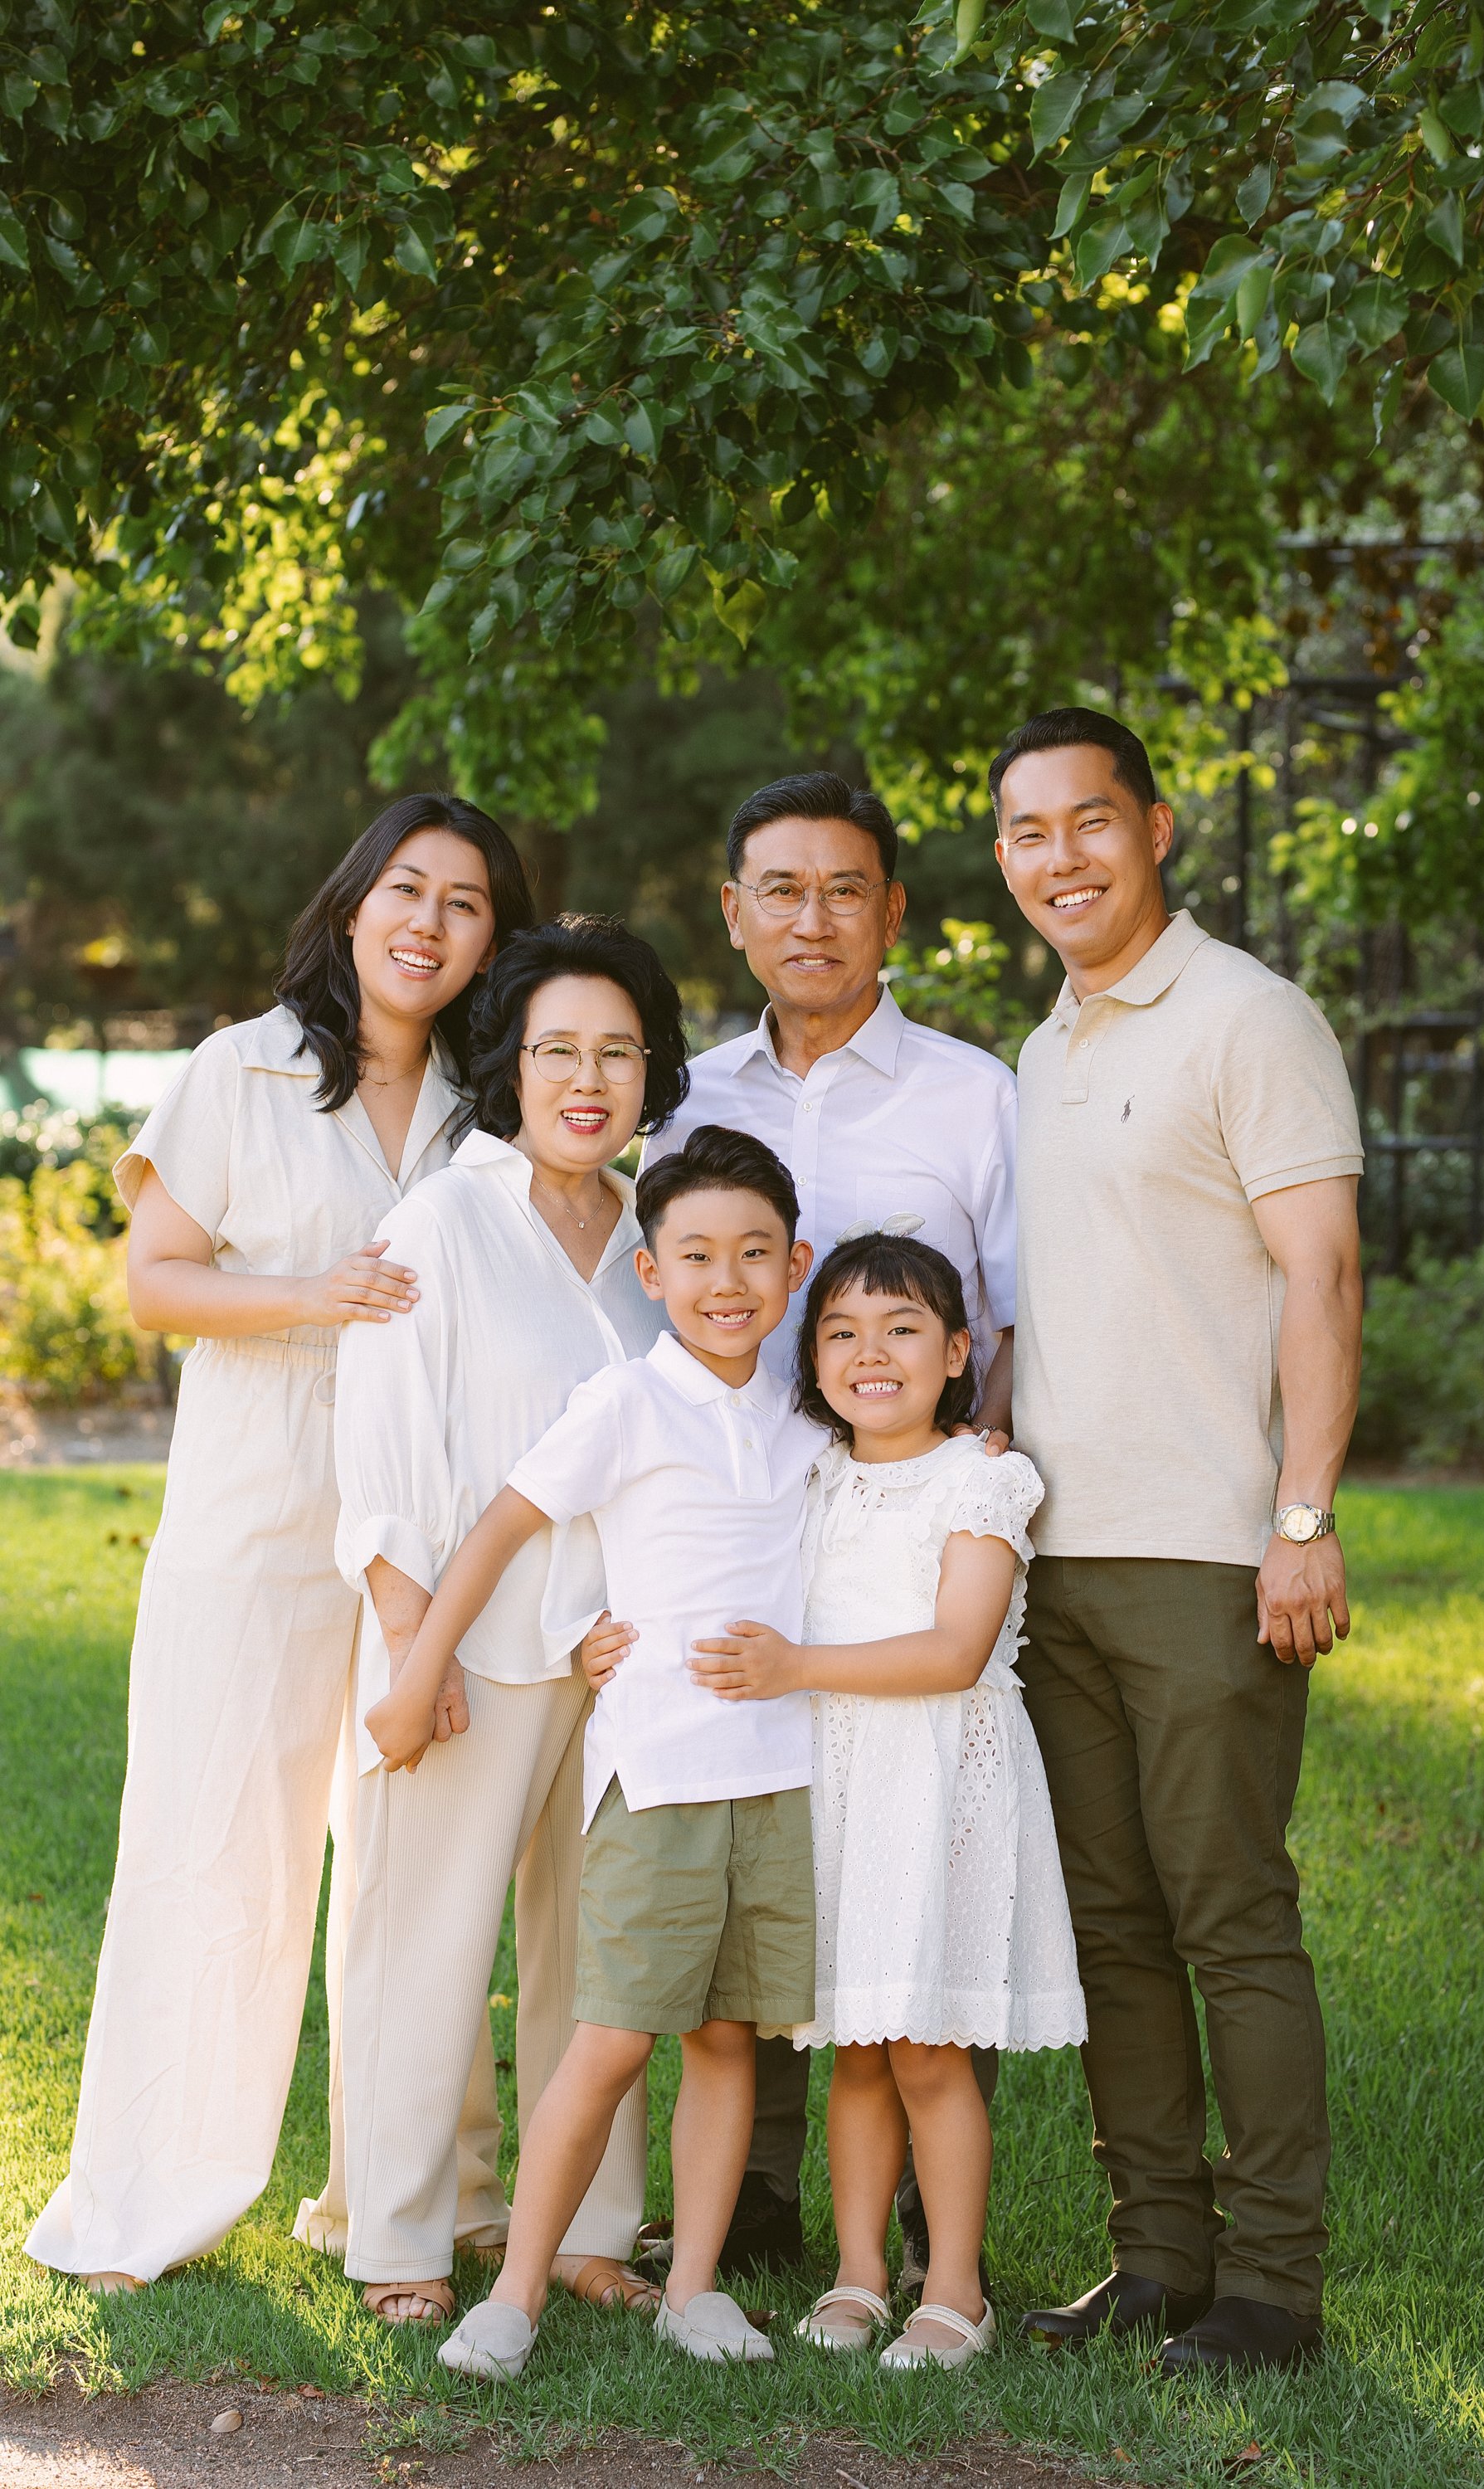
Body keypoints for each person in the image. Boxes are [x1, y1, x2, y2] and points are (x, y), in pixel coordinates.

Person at [27, 795, 532, 2293]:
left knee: (416, 1870)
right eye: (407, 890)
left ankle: (415, 2203)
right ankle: (149, 2195)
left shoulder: (487, 1101)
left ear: (491, 941)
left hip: (428, 1533)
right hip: (252, 1520)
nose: (429, 924)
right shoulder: (237, 1070)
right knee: (213, 1852)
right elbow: (157, 1284)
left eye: (466, 905)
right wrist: (318, 1295)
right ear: (355, 899)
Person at [991, 707, 1364, 2377]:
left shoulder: (1247, 1020)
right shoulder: (1041, 1049)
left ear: (1152, 829)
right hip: (1052, 1560)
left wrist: (1300, 1518)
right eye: (1023, 833)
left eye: (1086, 824)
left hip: (1211, 1556)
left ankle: (1271, 2288)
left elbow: (1324, 1279)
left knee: (1228, 1919)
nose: (1056, 859)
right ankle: (1155, 2259)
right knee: (1111, 1928)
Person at [362, 1125, 822, 2378]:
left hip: (780, 1782)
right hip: (661, 1777)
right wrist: (423, 1669)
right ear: (649, 1274)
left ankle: (693, 2286)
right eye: (696, 1256)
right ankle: (512, 2295)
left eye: (755, 1255)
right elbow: (506, 1528)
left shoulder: (805, 1417)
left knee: (730, 2039)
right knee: (612, 2038)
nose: (728, 1281)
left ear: (798, 1266)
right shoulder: (625, 1401)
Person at [644, 768, 1018, 2272]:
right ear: (735, 915)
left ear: (893, 912)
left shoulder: (973, 1096)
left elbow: (1014, 1327)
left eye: (844, 888)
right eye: (779, 890)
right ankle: (760, 2194)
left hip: (917, 1521)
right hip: (749, 1521)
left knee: (920, 1834)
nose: (813, 917)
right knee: (775, 1838)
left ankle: (937, 2213)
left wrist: (982, 1510)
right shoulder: (692, 1101)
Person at [328, 918, 689, 2328]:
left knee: (590, 1951)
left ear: (652, 1068)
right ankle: (408, 2231)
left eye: (618, 1051)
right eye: (557, 1051)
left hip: (618, 1655)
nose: (587, 1079)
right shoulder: (445, 1219)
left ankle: (593, 2227)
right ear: (511, 1064)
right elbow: (384, 1453)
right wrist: (420, 1655)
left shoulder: (657, 1234)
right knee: (426, 1941)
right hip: (467, 1645)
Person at [679, 1232, 1086, 2370]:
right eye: (843, 1331)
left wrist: (799, 1667)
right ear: (812, 1356)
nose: (873, 1353)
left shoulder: (985, 1478)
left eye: (904, 1329)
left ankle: (951, 2287)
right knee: (855, 2045)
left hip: (938, 1786)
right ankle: (856, 2274)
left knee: (925, 2051)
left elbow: (958, 1649)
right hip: (840, 1789)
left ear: (959, 1352)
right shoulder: (813, 1473)